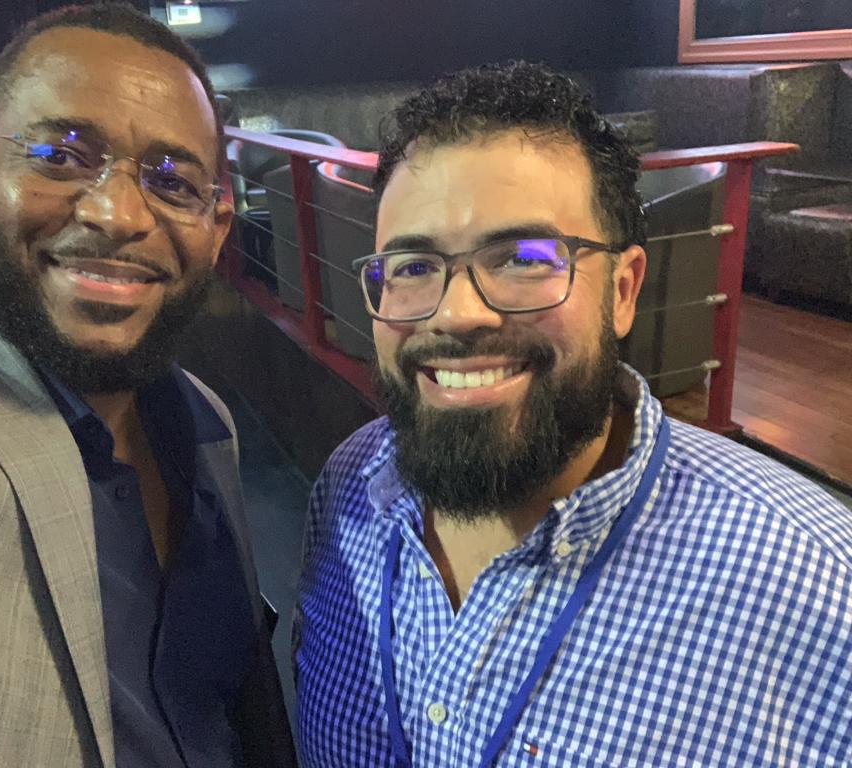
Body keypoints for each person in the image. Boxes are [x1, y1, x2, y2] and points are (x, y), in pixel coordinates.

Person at [294, 62, 851, 767]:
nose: (458, 315)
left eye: (524, 257)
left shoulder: (818, 588)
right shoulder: (347, 491)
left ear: (622, 292)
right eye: (412, 266)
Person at [0, 5, 295, 767]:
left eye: (172, 182)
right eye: (61, 156)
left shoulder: (206, 425)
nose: (118, 214)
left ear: (215, 231)